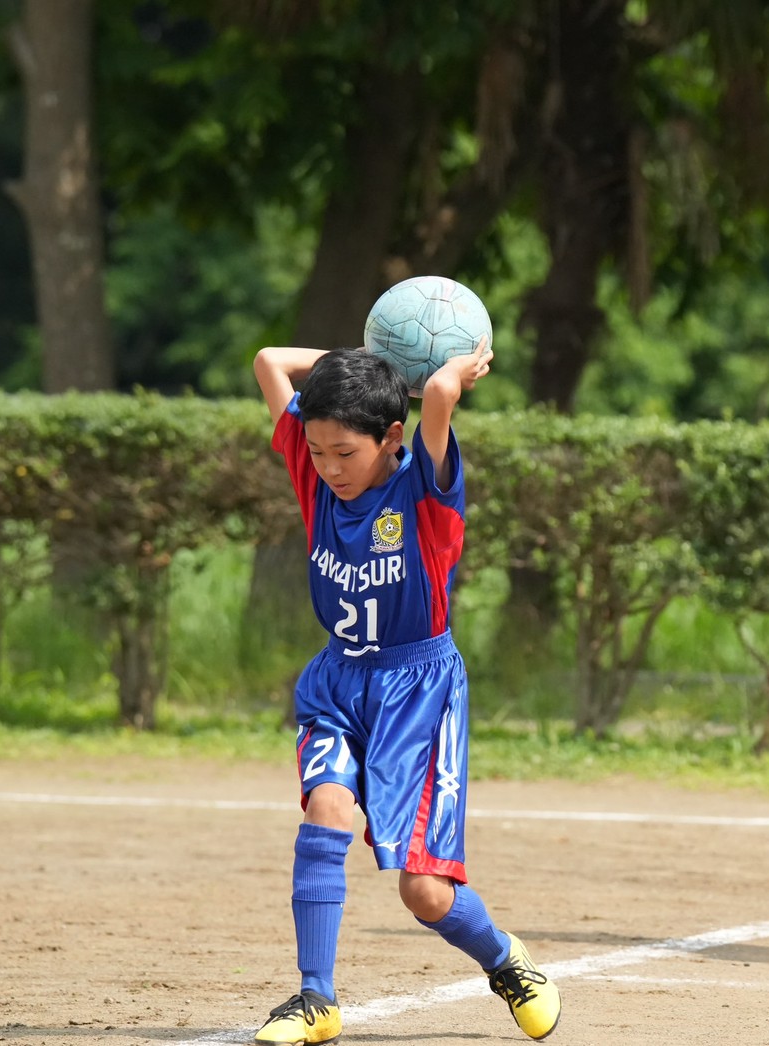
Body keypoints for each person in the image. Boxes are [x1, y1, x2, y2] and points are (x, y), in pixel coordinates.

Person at [249, 338, 562, 1044]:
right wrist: (370, 355)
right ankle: (315, 999)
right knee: (325, 810)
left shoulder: (424, 490)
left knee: (423, 892)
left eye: (345, 454)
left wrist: (442, 371)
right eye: (318, 450)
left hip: (418, 692)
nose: (327, 468)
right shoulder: (312, 466)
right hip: (338, 681)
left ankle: (505, 959)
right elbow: (270, 360)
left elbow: (442, 399)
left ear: (392, 436)